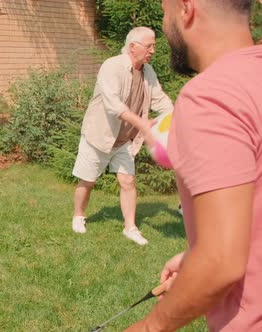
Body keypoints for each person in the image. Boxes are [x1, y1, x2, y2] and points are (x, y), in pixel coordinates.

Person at [128, 0, 262, 330]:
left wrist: (148, 327)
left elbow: (221, 263)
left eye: (164, 12)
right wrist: (195, 260)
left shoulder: (210, 97)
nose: (163, 24)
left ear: (186, 9)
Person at [71, 27, 174, 245]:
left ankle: (130, 227)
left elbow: (160, 99)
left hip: (125, 140)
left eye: (154, 45)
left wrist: (176, 117)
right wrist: (144, 126)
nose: (153, 50)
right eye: (149, 46)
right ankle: (79, 214)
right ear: (132, 47)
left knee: (128, 181)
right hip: (99, 136)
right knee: (87, 181)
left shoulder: (148, 71)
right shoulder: (112, 66)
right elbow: (114, 106)